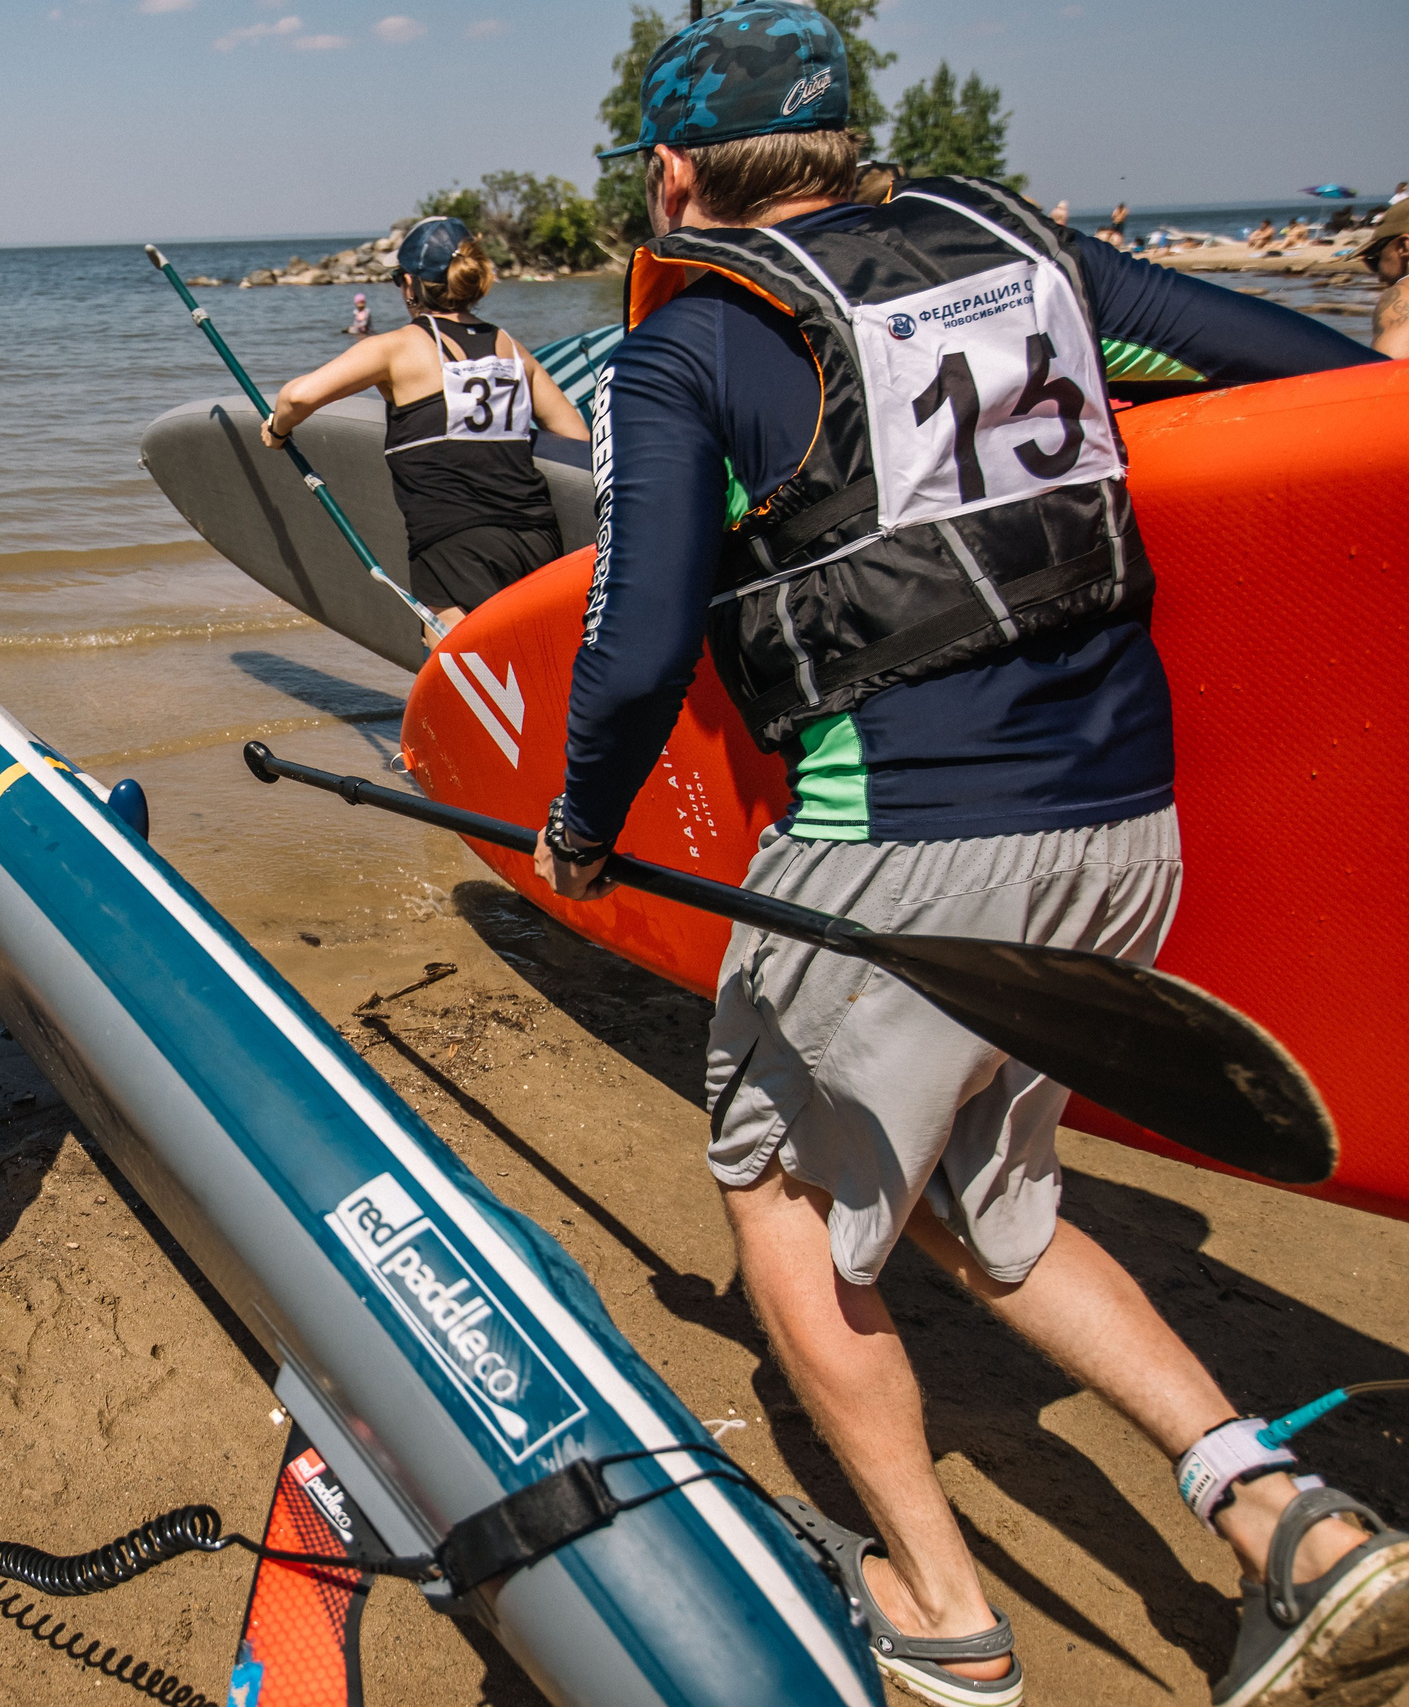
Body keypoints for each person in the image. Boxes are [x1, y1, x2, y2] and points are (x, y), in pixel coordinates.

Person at [559, 8, 1402, 1704]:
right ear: (847, 137)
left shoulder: (696, 342)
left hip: (912, 848)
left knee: (784, 1214)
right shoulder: (1033, 254)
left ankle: (943, 1618)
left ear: (670, 174)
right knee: (986, 1197)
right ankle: (1288, 1517)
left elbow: (637, 645)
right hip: (1124, 822)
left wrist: (584, 822)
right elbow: (1323, 387)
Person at [259, 216, 589, 638]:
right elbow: (576, 440)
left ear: (411, 284)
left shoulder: (396, 348)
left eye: (399, 278)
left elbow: (297, 397)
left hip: (454, 544)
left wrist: (278, 431)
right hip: (536, 537)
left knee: (465, 685)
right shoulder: (510, 347)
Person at [1362, 200, 1409, 358]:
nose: (1379, 278)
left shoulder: (1402, 294)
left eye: (1375, 260)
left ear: (1404, 246)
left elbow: (1390, 376)